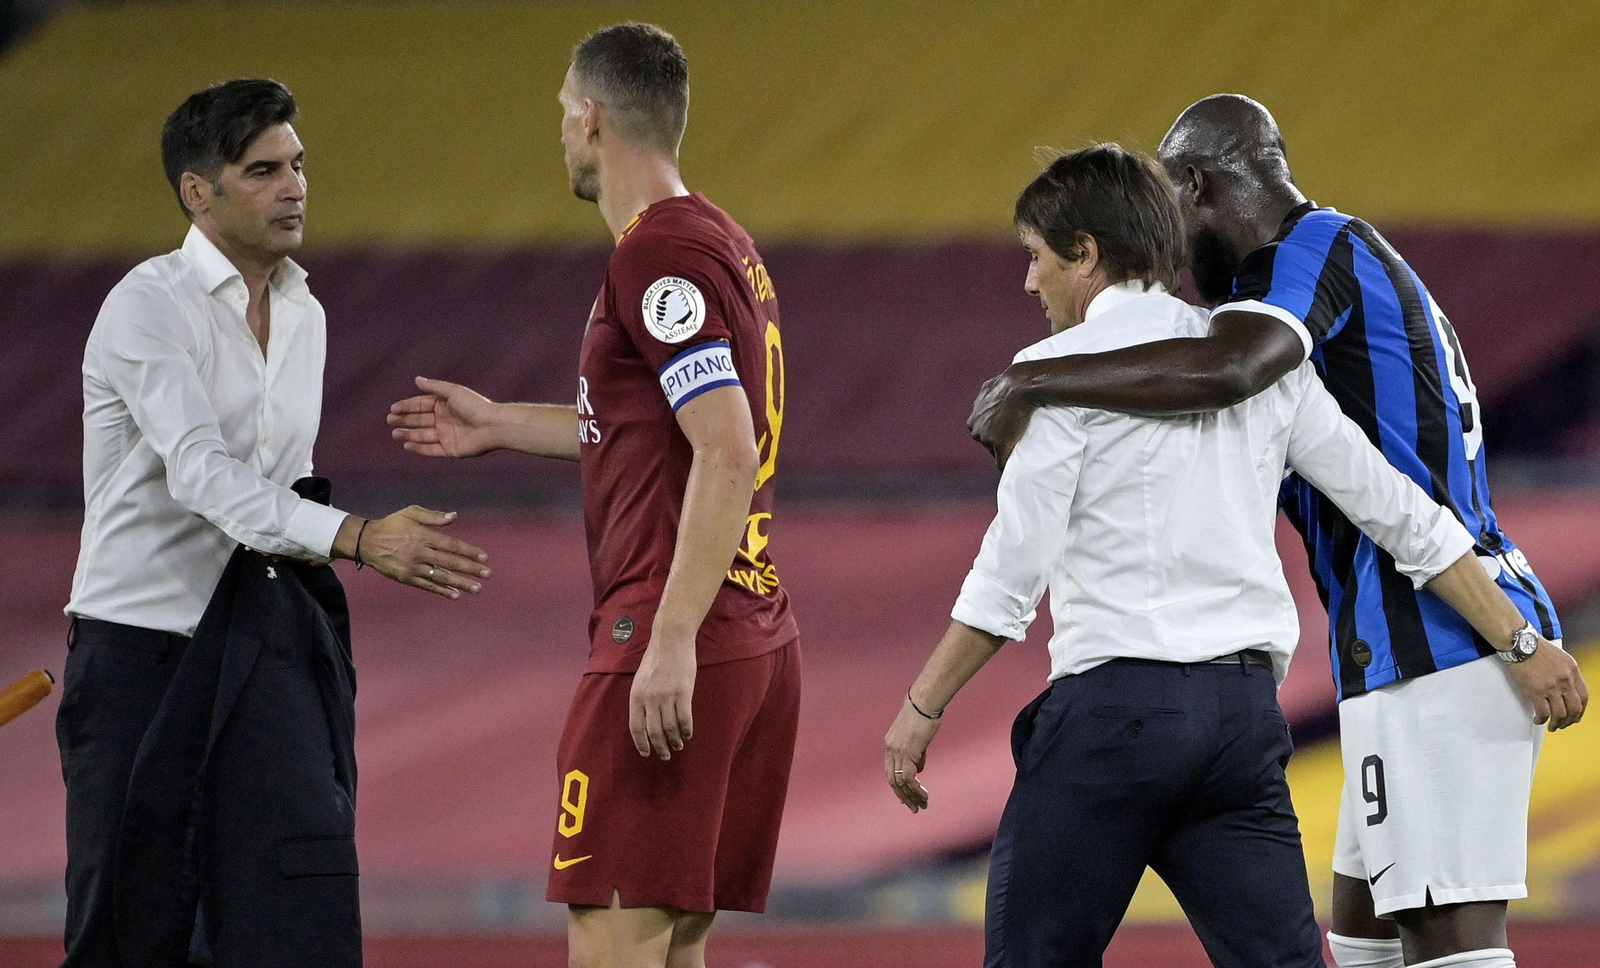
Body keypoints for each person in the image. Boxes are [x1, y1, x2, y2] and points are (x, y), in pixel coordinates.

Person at [884, 143, 1582, 968]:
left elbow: (1010, 575)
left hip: (1114, 720)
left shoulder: (1050, 374)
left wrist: (921, 710)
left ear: (1086, 253)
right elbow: (1405, 516)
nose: (1029, 283)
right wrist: (1521, 639)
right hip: (1240, 726)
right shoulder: (1262, 368)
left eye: (1036, 258)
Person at [386, 23, 799, 968]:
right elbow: (654, 434)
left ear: (591, 116)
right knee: (670, 946)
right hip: (752, 625)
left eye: (562, 117)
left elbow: (727, 453)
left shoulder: (655, 258)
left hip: (674, 628)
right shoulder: (722, 241)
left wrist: (669, 640)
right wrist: (501, 424)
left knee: (614, 942)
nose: (561, 137)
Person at [58, 78, 491, 967]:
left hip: (264, 640)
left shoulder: (306, 313)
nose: (294, 186)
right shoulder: (148, 304)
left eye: (297, 165)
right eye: (263, 171)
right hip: (143, 652)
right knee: (132, 929)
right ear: (197, 192)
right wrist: (362, 537)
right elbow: (203, 478)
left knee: (296, 914)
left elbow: (277, 486)